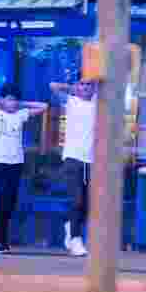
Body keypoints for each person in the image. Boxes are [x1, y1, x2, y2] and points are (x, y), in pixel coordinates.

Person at [0, 83, 48, 254]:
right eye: (8, 99)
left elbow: (44, 106)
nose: (11, 103)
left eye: (14, 100)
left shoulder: (21, 114)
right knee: (3, 198)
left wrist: (21, 103)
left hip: (16, 162)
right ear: (2, 100)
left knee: (11, 201)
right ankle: (0, 239)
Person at [49, 78, 98, 257]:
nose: (85, 87)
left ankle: (71, 226)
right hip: (73, 158)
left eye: (89, 84)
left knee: (87, 203)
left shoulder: (99, 102)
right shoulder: (71, 101)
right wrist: (76, 88)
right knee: (76, 200)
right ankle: (76, 240)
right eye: (82, 84)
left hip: (92, 160)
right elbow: (53, 85)